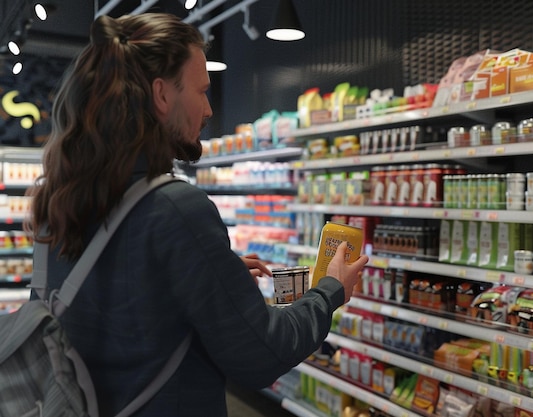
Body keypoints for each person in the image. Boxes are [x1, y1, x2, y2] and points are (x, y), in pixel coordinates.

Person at [25, 12, 369, 417]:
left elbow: (113, 308)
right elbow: (261, 353)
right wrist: (329, 291)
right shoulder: (175, 207)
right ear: (162, 94)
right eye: (202, 91)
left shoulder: (59, 200)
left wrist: (209, 278)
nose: (208, 109)